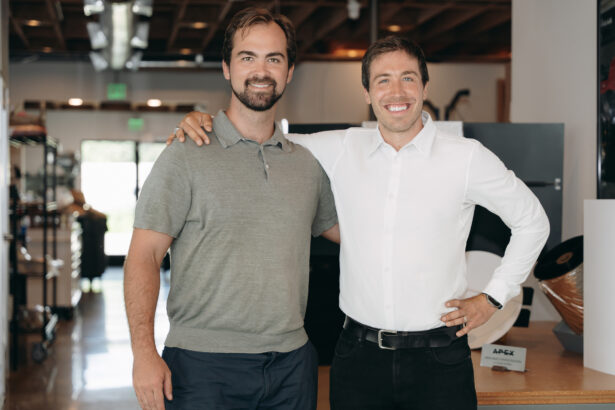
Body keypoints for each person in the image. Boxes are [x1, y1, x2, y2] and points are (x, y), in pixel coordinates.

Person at [170, 36, 550, 410]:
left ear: (425, 86)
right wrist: (206, 123)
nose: (396, 91)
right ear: (367, 93)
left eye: (408, 78)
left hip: (440, 361)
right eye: (383, 80)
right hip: (358, 360)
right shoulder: (340, 148)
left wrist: (493, 297)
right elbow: (259, 138)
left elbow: (532, 221)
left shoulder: (466, 158)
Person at [124, 7, 339, 410]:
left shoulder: (306, 165)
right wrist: (144, 352)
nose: (261, 70)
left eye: (274, 59)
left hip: (292, 366)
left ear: (290, 71)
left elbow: (358, 233)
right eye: (247, 57)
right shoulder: (185, 154)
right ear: (226, 68)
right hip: (202, 367)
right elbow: (143, 257)